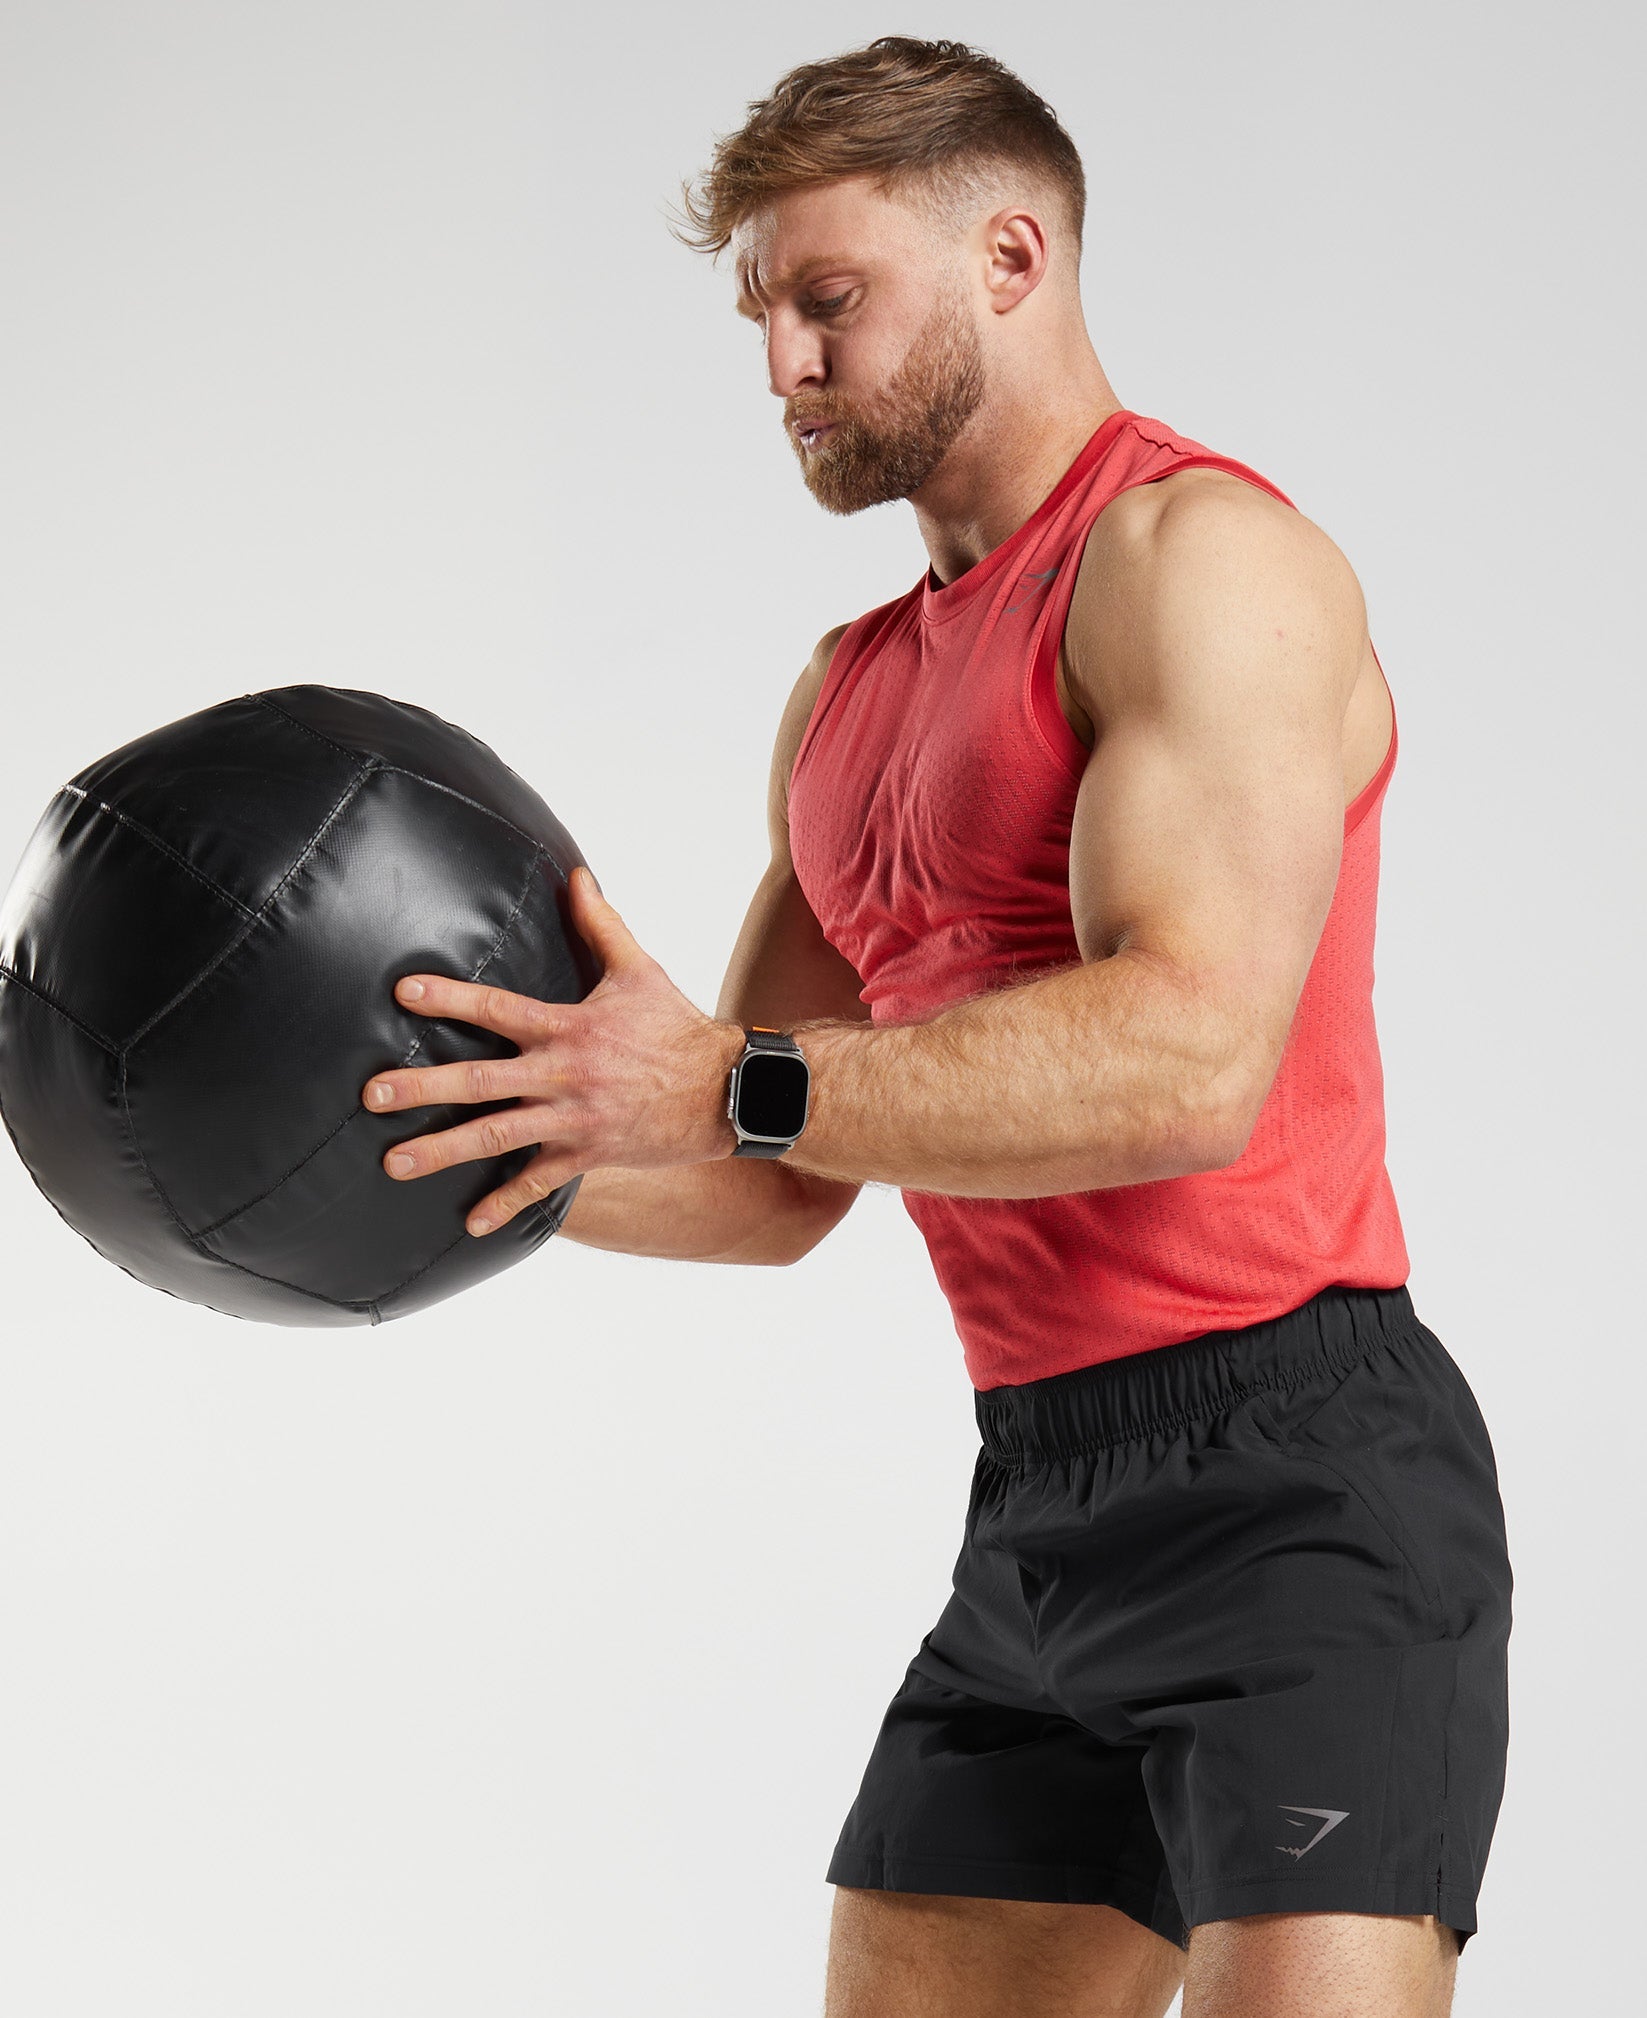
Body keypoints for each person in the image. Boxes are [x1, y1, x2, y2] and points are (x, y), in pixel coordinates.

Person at [360, 36, 1512, 2018]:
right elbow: (767, 1175)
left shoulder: (1198, 565)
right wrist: (421, 1148)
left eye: (830, 301)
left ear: (1010, 256)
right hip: (1041, 1510)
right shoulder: (848, 694)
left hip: (1312, 1486)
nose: (787, 369)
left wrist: (724, 1078)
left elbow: (1186, 1060)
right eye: (762, 319)